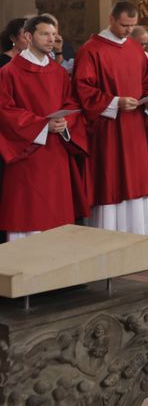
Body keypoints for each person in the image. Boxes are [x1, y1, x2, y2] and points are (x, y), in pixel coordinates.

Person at [0, 15, 90, 239]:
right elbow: (4, 111)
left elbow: (70, 103)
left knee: (55, 216)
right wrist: (42, 126)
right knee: (28, 213)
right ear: (29, 37)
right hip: (27, 154)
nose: (52, 39)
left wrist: (64, 122)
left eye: (53, 34)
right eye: (45, 34)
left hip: (56, 151)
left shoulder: (58, 72)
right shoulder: (9, 72)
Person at [72, 1, 148, 234]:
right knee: (110, 179)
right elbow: (83, 88)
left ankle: (137, 235)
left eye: (132, 25)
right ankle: (107, 237)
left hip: (134, 128)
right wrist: (115, 102)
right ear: (111, 20)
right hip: (107, 127)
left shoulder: (135, 49)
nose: (129, 31)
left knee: (135, 179)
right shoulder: (91, 50)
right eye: (124, 25)